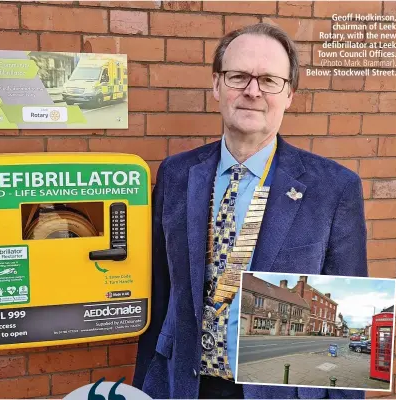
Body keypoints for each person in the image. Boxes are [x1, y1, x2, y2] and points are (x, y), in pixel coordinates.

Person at [133, 23, 367, 399]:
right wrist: (146, 387)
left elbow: (350, 289)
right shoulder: (176, 174)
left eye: (269, 80)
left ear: (289, 93)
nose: (252, 91)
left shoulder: (334, 187)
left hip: (281, 390)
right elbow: (161, 294)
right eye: (238, 76)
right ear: (216, 86)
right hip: (185, 385)